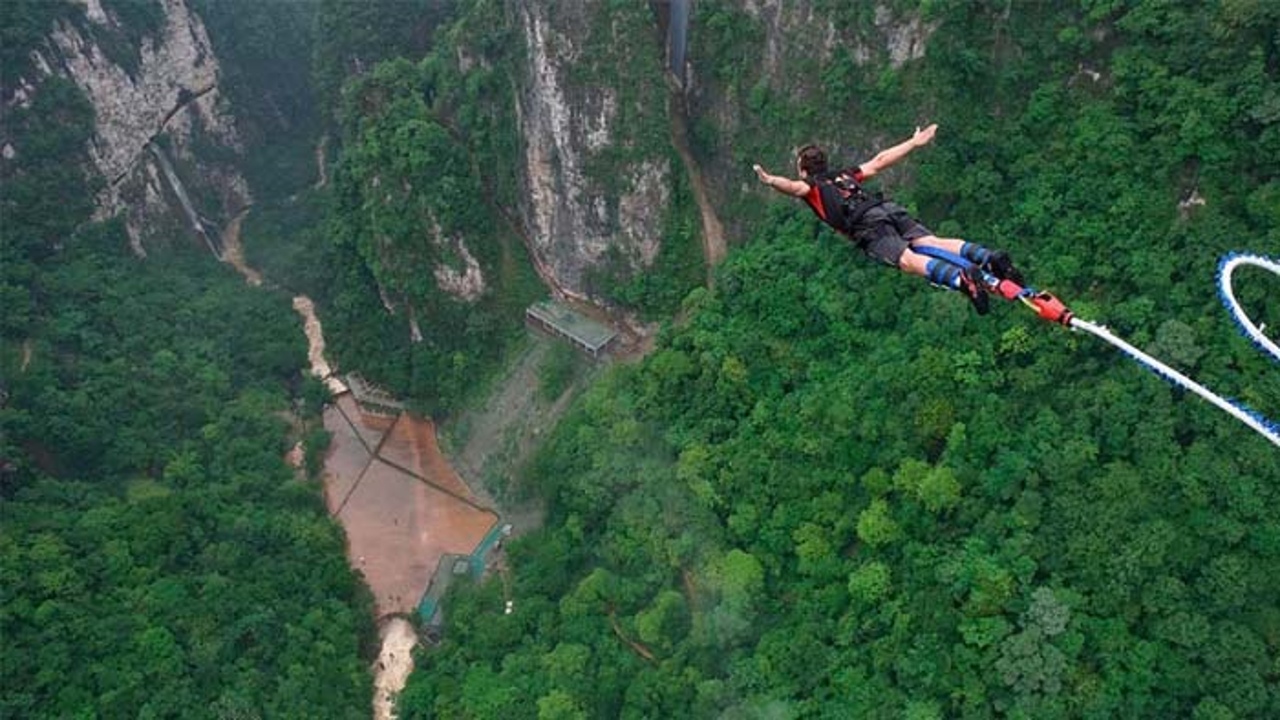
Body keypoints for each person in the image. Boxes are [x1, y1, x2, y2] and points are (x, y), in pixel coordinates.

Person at [752, 124, 1022, 314]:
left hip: (867, 227)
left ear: (803, 170)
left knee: (907, 260)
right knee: (931, 241)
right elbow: (880, 161)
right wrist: (914, 143)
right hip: (886, 209)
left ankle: (961, 279)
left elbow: (791, 187)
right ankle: (988, 257)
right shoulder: (846, 174)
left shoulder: (811, 187)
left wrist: (769, 180)